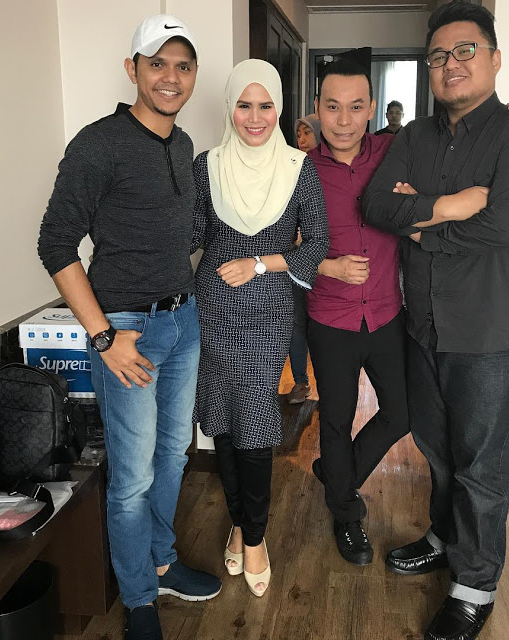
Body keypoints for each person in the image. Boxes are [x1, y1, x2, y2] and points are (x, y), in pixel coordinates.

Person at [363, 3, 509, 640]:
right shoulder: (414, 137)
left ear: (495, 59)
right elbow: (376, 205)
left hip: (494, 332)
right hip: (426, 325)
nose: (450, 64)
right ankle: (444, 537)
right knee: (437, 452)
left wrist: (421, 223)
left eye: (465, 50)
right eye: (438, 55)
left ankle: (474, 586)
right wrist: (451, 205)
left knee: (483, 465)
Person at [38, 14, 221, 640]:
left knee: (172, 456)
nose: (171, 77)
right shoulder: (98, 144)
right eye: (157, 64)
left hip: (183, 321)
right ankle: (140, 598)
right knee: (134, 475)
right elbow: (55, 243)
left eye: (183, 66)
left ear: (194, 75)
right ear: (132, 70)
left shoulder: (182, 145)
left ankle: (162, 563)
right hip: (125, 332)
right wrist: (103, 338)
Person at [191, 59, 328, 597]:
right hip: (213, 306)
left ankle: (254, 537)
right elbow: (192, 235)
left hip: (267, 308)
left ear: (279, 108)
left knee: (252, 419)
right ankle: (239, 522)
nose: (254, 117)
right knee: (222, 420)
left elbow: (316, 241)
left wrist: (261, 263)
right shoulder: (206, 165)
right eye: (244, 106)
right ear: (230, 108)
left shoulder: (298, 167)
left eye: (265, 105)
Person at [306, 59, 411, 566]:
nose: (343, 120)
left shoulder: (395, 153)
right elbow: (279, 246)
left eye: (354, 107)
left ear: (372, 108)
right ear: (317, 109)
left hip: (388, 313)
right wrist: (327, 265)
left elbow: (453, 144)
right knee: (336, 420)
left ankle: (337, 475)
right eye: (332, 107)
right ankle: (345, 514)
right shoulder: (299, 170)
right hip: (331, 318)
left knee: (402, 412)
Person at [286, 114, 323, 404]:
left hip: (327, 261)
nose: (301, 139)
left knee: (321, 327)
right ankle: (301, 382)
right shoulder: (290, 167)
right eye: (299, 133)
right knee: (297, 323)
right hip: (296, 260)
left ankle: (329, 385)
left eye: (307, 133)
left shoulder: (330, 170)